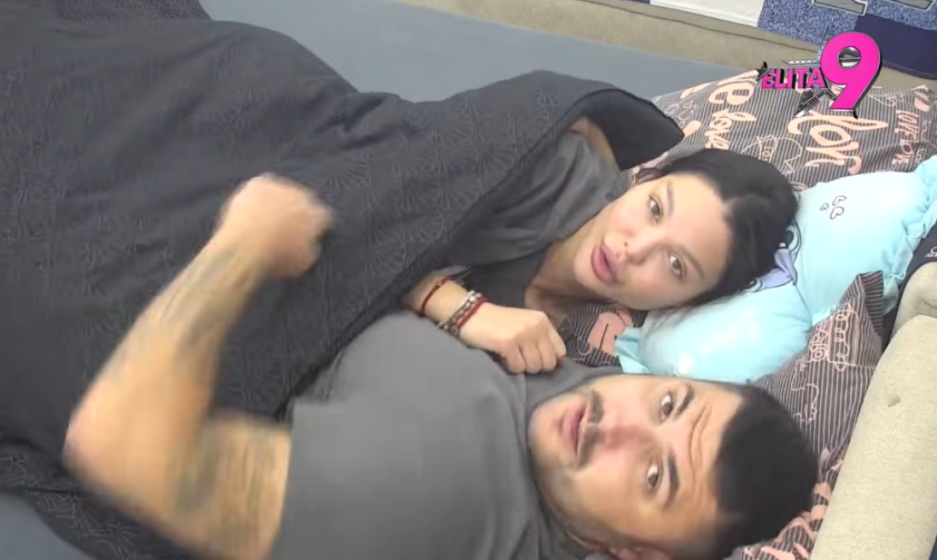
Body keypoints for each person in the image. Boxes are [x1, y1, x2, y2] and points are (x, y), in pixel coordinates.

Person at [64, 175, 817, 560]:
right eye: (669, 404)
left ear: (637, 554)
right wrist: (450, 302)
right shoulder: (587, 379)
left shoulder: (433, 496)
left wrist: (244, 243)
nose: (614, 425)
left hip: (166, 250)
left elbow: (128, 449)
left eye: (654, 477)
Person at [406, 122, 799, 374]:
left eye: (675, 264)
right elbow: (378, 209)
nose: (634, 249)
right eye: (654, 208)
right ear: (645, 179)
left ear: (687, 304)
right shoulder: (552, 165)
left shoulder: (599, 354)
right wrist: (458, 307)